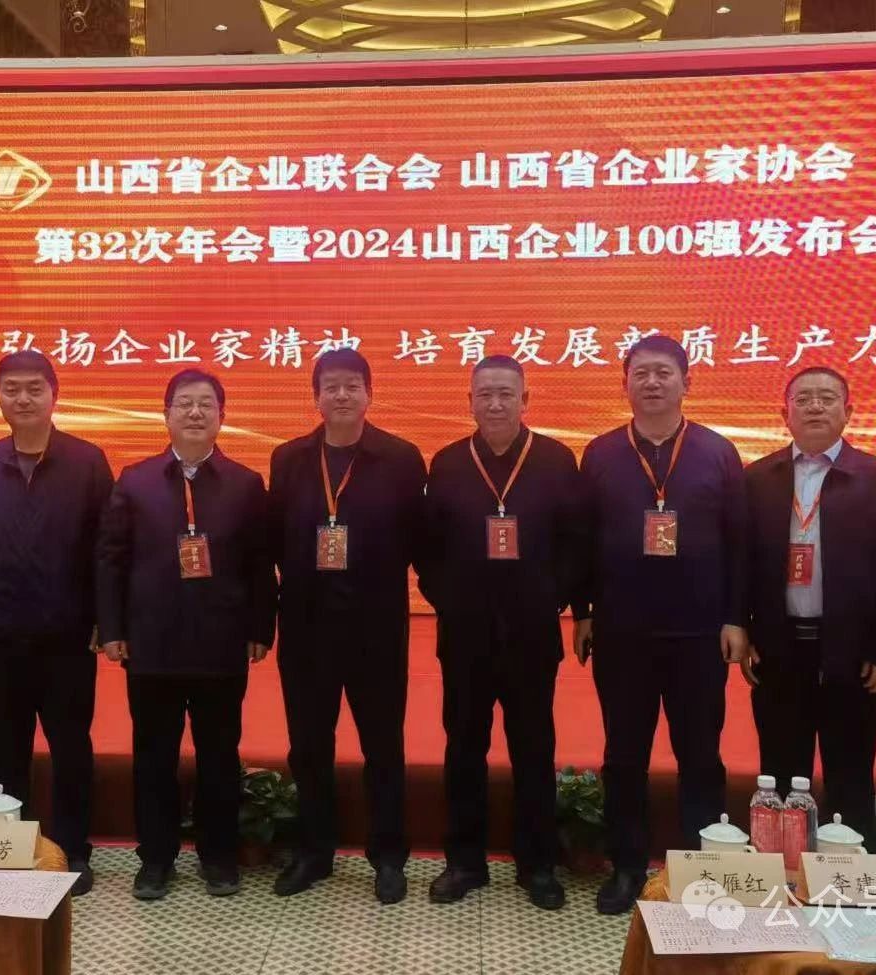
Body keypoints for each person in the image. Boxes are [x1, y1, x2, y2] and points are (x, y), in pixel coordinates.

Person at [577, 335, 749, 916]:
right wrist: (584, 611)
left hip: (698, 631)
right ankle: (627, 866)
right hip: (622, 630)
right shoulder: (601, 453)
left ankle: (699, 870)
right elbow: (583, 541)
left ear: (686, 382)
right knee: (624, 753)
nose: (652, 382)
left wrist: (736, 617)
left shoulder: (717, 452)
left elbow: (739, 543)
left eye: (664, 373)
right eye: (641, 373)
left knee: (700, 753)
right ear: (625, 383)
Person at [96, 368, 275, 901]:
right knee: (154, 756)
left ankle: (218, 856)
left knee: (219, 754)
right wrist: (113, 628)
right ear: (166, 414)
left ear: (222, 416)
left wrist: (260, 627)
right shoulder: (135, 480)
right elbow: (111, 559)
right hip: (151, 644)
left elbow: (260, 564)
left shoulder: (245, 483)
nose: (195, 413)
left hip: (221, 643)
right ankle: (156, 858)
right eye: (184, 403)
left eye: (206, 404)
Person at [417, 354, 584, 911]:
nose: (495, 404)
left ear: (525, 399)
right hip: (465, 635)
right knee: (464, 746)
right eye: (484, 394)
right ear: (469, 401)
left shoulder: (556, 460)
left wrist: (549, 597)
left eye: (505, 394)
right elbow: (427, 548)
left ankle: (538, 865)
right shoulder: (447, 463)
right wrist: (449, 600)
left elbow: (573, 543)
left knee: (533, 748)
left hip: (532, 634)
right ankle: (464, 862)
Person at [0, 350, 111, 896]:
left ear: (54, 394)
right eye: (11, 388)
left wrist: (105, 619)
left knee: (70, 745)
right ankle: (7, 845)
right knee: (3, 745)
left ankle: (72, 850)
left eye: (34, 388)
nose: (23, 398)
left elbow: (106, 550)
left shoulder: (87, 461)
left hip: (67, 634)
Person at [267, 348, 426, 904]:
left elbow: (419, 538)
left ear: (369, 394)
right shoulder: (289, 459)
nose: (341, 395)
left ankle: (388, 856)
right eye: (330, 386)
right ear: (315, 396)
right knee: (309, 746)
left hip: (375, 629)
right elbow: (274, 540)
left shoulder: (401, 458)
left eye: (352, 385)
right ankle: (315, 852)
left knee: (382, 745)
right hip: (306, 627)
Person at [740, 367, 876, 850]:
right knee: (778, 773)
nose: (815, 407)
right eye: (803, 399)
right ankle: (781, 873)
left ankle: (850, 878)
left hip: (853, 655)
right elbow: (740, 561)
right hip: (778, 649)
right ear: (785, 414)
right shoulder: (757, 479)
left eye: (827, 398)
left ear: (848, 412)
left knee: (850, 774)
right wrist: (743, 629)